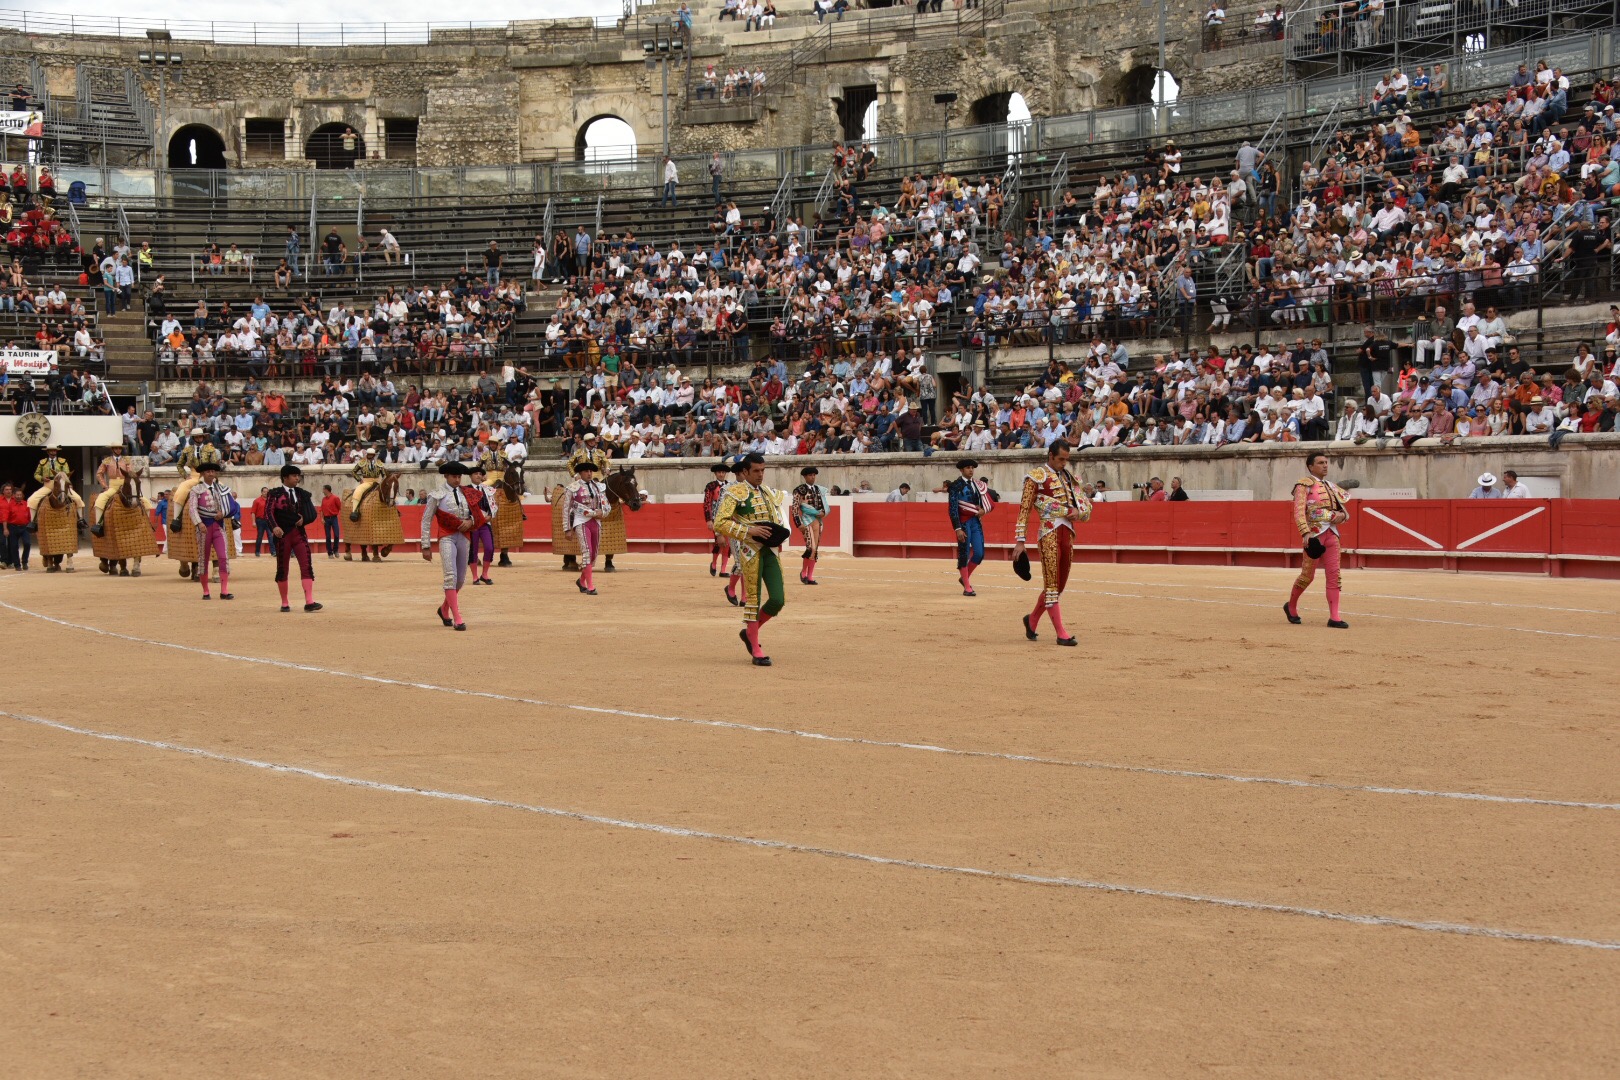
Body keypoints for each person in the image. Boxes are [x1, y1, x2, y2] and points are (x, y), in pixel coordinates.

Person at [713, 452, 788, 667]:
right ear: (745, 472)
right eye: (756, 471)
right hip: (750, 550)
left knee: (778, 599)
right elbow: (720, 522)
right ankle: (756, 648)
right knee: (753, 598)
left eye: (763, 470)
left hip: (770, 550)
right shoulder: (734, 492)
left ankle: (749, 632)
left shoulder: (767, 492)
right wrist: (749, 531)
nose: (760, 475)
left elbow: (778, 517)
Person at [1013, 440, 1090, 646]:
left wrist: (1077, 511)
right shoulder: (1035, 477)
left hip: (1068, 533)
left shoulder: (1068, 477)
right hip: (1049, 533)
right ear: (1050, 455)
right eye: (1060, 459)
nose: (1064, 464)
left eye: (1066, 460)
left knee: (1059, 584)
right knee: (1052, 585)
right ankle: (1061, 633)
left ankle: (1032, 620)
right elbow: (1025, 509)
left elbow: (1084, 505)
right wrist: (1020, 541)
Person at [1284, 451, 1349, 629]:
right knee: (1307, 576)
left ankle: (1334, 617)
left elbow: (1345, 512)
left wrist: (1340, 516)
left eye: (1326, 462)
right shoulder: (1303, 485)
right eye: (1320, 463)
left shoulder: (1332, 486)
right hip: (1314, 535)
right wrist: (1305, 534)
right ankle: (1291, 606)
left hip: (1332, 535)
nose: (1325, 465)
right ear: (1311, 466)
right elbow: (1299, 512)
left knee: (1334, 576)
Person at [420, 461, 476, 631]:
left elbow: (477, 516)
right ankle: (457, 617)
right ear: (446, 476)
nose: (457, 480)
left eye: (459, 477)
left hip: (464, 537)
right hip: (447, 537)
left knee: (460, 580)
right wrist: (425, 545)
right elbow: (426, 520)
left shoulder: (468, 493)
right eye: (454, 477)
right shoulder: (436, 494)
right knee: (450, 576)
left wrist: (470, 521)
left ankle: (444, 608)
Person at [264, 464, 322, 613]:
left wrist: (305, 519)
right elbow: (268, 513)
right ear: (285, 477)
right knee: (283, 568)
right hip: (283, 535)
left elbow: (311, 513)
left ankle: (309, 601)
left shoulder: (301, 493)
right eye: (294, 475)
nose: (297, 478)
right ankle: (284, 602)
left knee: (306, 565)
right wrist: (274, 527)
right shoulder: (274, 493)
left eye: (298, 476)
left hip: (299, 534)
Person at [947, 458, 996, 597]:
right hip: (963, 522)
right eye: (968, 468)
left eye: (972, 468)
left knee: (979, 554)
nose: (971, 470)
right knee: (964, 552)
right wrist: (957, 528)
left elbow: (985, 503)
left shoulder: (978, 484)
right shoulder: (955, 486)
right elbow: (953, 509)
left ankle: (964, 577)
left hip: (975, 521)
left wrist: (983, 510)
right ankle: (967, 587)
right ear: (961, 470)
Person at [188, 460, 235, 600]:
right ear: (202, 473)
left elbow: (230, 505)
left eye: (213, 471)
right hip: (204, 528)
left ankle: (224, 591)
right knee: (203, 559)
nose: (211, 473)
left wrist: (224, 513)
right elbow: (192, 509)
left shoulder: (222, 489)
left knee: (223, 557)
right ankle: (206, 591)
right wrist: (199, 523)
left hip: (219, 526)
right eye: (208, 471)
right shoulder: (195, 490)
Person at [562, 459, 611, 595]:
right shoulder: (572, 488)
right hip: (581, 521)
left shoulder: (598, 487)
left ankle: (582, 580)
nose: (589, 474)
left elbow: (605, 504)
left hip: (596, 521)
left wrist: (603, 513)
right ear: (580, 473)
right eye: (586, 471)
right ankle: (590, 586)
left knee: (593, 554)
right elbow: (566, 509)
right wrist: (567, 529)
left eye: (590, 471)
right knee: (587, 552)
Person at [170, 428, 222, 529]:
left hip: (208, 475)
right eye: (197, 437)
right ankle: (176, 519)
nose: (199, 438)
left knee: (224, 490)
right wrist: (186, 476)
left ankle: (232, 519)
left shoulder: (210, 449)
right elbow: (179, 465)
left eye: (201, 436)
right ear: (194, 438)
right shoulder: (187, 450)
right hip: (193, 475)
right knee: (181, 490)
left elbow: (214, 464)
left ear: (203, 437)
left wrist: (211, 475)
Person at [25, 444, 85, 531]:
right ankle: (33, 522)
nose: (53, 452)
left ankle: (80, 520)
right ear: (48, 452)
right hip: (48, 484)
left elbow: (67, 474)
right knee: (32, 499)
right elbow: (36, 474)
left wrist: (66, 483)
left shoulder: (63, 461)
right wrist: (42, 478)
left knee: (78, 498)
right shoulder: (42, 462)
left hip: (61, 485)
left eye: (55, 450)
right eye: (51, 450)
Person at [790, 465, 830, 585]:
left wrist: (823, 513)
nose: (813, 477)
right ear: (805, 477)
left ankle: (810, 576)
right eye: (810, 475)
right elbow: (795, 508)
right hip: (806, 521)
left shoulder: (819, 489)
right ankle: (804, 572)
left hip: (818, 521)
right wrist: (798, 524)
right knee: (811, 547)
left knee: (814, 549)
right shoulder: (799, 490)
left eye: (814, 475)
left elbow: (824, 505)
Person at [88, 443, 135, 537]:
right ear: (112, 449)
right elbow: (99, 474)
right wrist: (105, 486)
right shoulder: (107, 460)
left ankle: (146, 523)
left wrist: (128, 481)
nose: (118, 450)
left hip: (124, 485)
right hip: (112, 486)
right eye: (116, 448)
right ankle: (98, 525)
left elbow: (130, 472)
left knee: (143, 501)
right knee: (100, 500)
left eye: (119, 448)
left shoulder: (127, 460)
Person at [465, 464, 499, 586]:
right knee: (473, 550)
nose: (478, 476)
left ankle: (484, 574)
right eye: (476, 474)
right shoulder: (466, 490)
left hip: (485, 523)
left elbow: (493, 505)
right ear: (470, 476)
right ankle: (475, 576)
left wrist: (490, 515)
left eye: (480, 474)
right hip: (473, 524)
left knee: (489, 547)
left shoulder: (487, 489)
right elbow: (464, 507)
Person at [703, 460, 733, 578]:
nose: (721, 474)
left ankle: (724, 569)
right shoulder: (711, 486)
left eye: (723, 472)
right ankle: (714, 563)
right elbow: (707, 503)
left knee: (727, 543)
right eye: (719, 472)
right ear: (715, 474)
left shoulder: (730, 486)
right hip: (715, 518)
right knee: (719, 542)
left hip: (728, 518)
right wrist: (708, 519)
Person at [251, 486, 274, 557]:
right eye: (264, 492)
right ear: (261, 492)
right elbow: (253, 512)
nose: (266, 493)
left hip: (268, 520)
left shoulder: (271, 500)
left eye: (267, 492)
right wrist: (253, 522)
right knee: (260, 536)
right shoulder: (257, 501)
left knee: (271, 536)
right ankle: (257, 551)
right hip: (260, 521)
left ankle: (273, 552)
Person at [319, 484, 342, 556]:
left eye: (323, 489)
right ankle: (330, 552)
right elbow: (321, 510)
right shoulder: (323, 499)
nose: (323, 491)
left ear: (326, 490)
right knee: (328, 536)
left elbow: (340, 507)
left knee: (336, 535)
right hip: (326, 519)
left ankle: (335, 550)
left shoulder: (335, 498)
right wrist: (322, 518)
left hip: (334, 518)